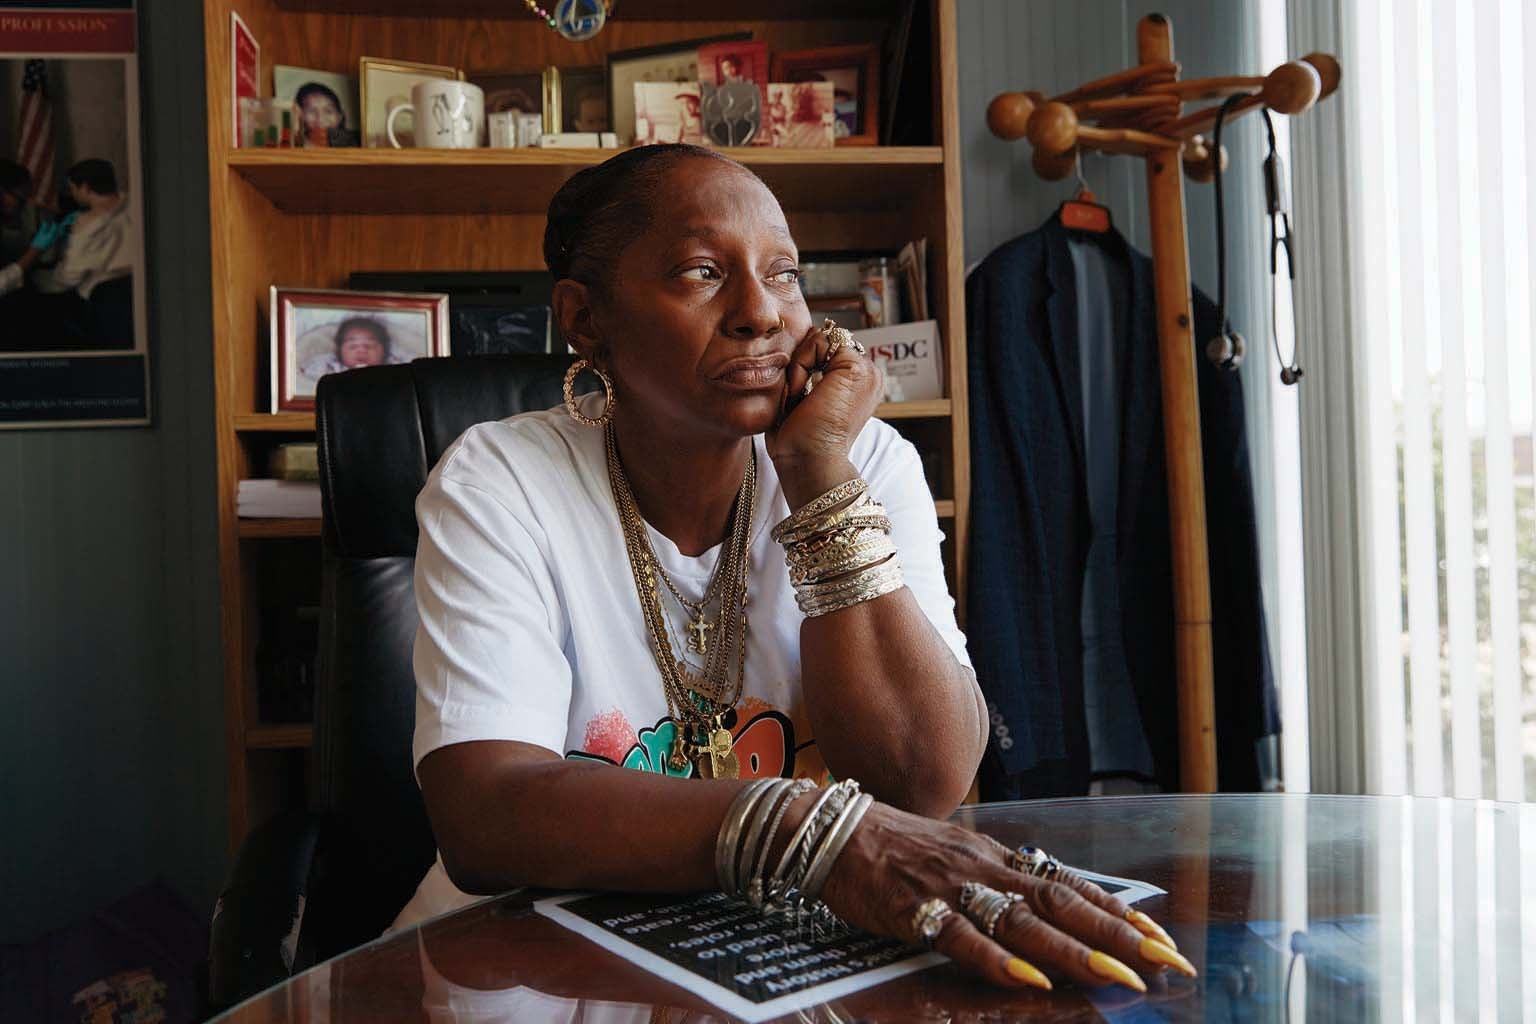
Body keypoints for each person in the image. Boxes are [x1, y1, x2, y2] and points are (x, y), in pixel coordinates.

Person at [395, 143, 1194, 995]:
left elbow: (921, 781)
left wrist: (817, 480)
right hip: (522, 973)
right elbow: (484, 816)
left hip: (779, 959)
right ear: (586, 320)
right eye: (702, 273)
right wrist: (807, 831)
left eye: (783, 274)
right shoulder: (499, 479)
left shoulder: (865, 461)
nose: (761, 314)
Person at [300, 315, 408, 381]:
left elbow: (408, 368)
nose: (361, 351)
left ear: (384, 351)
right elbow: (309, 373)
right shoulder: (332, 366)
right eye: (353, 346)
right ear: (339, 351)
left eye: (369, 346)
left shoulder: (390, 367)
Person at [294, 82, 359, 147]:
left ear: (340, 116)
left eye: (328, 111)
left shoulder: (356, 140)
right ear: (300, 115)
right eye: (311, 111)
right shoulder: (295, 143)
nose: (320, 119)